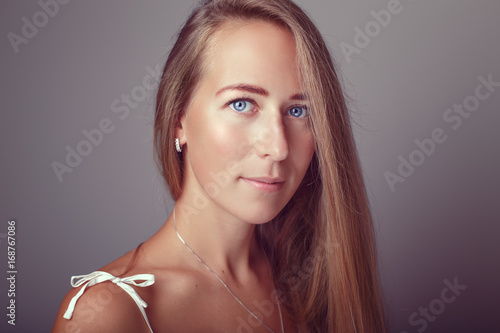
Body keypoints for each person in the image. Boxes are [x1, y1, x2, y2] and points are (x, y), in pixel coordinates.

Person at [52, 0, 387, 332]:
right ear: (178, 120)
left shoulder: (313, 285)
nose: (278, 147)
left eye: (299, 111)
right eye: (242, 104)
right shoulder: (110, 314)